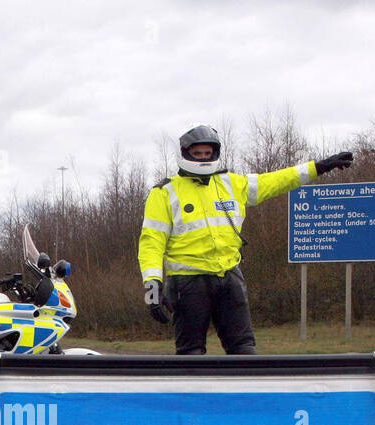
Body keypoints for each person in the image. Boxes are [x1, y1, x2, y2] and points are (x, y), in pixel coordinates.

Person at [139, 125, 353, 354]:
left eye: (207, 153)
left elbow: (278, 180)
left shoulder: (232, 184)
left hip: (229, 279)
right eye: (197, 153)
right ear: (185, 154)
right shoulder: (164, 193)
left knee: (244, 350)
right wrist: (153, 285)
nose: (203, 158)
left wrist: (318, 167)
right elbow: (152, 241)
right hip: (189, 283)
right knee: (191, 353)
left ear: (215, 153)